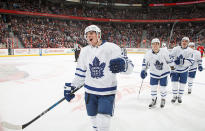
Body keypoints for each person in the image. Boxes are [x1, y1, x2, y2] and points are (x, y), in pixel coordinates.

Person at [64, 25, 134, 131]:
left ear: (99, 35)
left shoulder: (112, 48)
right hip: (90, 91)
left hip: (107, 92)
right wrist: (72, 86)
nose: (89, 36)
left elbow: (130, 68)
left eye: (91, 33)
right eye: (87, 35)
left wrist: (124, 65)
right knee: (93, 118)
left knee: (104, 121)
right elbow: (80, 74)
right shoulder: (84, 51)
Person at [140, 38, 174, 108]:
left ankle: (163, 99)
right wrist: (143, 70)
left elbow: (170, 61)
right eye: (153, 44)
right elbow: (145, 63)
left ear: (159, 45)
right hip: (153, 73)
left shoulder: (165, 52)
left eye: (157, 44)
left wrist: (173, 70)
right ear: (151, 45)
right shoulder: (148, 53)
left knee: (162, 88)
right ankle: (153, 99)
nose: (155, 45)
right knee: (153, 87)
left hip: (163, 73)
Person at [170, 37, 194, 103]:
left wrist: (181, 62)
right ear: (181, 42)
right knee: (174, 83)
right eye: (183, 41)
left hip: (184, 70)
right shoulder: (175, 49)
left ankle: (180, 96)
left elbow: (191, 61)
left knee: (182, 84)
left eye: (186, 41)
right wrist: (172, 69)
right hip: (175, 70)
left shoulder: (190, 51)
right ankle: (174, 96)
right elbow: (170, 58)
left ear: (188, 43)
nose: (184, 42)